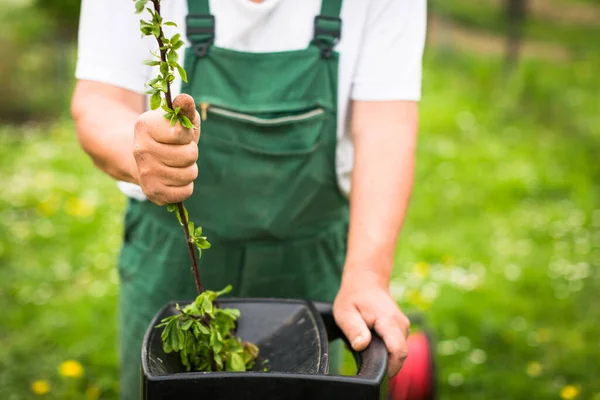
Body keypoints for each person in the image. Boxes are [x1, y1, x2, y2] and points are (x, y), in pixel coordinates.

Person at [71, 0, 426, 398]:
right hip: (168, 257)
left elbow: (386, 125)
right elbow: (100, 100)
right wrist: (140, 153)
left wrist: (368, 276)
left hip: (309, 256)